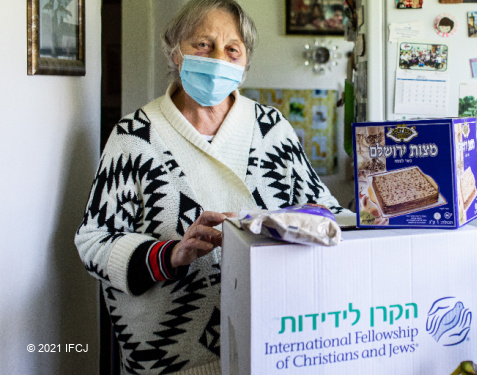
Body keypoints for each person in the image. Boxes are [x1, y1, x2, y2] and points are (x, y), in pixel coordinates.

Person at [74, 0, 345, 374]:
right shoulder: (133, 137)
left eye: (232, 49)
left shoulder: (272, 128)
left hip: (273, 345)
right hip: (171, 359)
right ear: (175, 50)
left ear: (245, 63)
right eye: (203, 44)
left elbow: (326, 213)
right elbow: (94, 242)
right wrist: (170, 255)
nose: (218, 58)